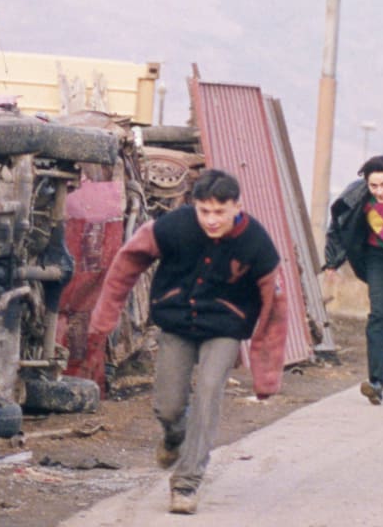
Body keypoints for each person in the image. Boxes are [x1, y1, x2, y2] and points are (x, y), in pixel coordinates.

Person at [87, 169, 288, 514]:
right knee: (168, 406)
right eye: (204, 211)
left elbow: (274, 309)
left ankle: (186, 482)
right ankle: (174, 434)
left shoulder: (256, 243)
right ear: (194, 206)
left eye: (219, 212)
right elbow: (127, 262)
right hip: (177, 321)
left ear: (237, 206)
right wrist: (104, 318)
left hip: (226, 327)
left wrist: (266, 372)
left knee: (209, 392)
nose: (211, 220)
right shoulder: (173, 227)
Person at [322, 154, 383, 405]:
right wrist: (333, 261)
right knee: (378, 316)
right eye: (373, 186)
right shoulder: (356, 196)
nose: (379, 192)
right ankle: (376, 382)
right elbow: (337, 225)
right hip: (379, 258)